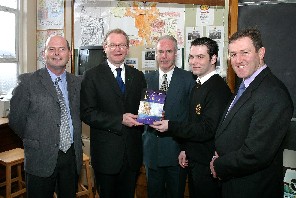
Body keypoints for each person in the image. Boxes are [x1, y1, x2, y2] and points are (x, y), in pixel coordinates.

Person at [209, 28, 294, 198]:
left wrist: (219, 165)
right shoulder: (246, 84)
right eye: (233, 54)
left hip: (253, 188)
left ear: (261, 53)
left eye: (245, 52)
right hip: (234, 184)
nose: (238, 60)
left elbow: (255, 154)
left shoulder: (272, 93)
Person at [151, 37, 232, 198]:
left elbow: (207, 129)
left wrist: (171, 126)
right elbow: (193, 121)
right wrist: (185, 149)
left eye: (200, 57)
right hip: (195, 161)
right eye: (192, 57)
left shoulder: (218, 89)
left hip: (208, 165)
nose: (194, 62)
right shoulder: (199, 84)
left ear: (214, 58)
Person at [9, 35, 83, 198]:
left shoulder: (77, 83)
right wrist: (35, 139)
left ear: (69, 54)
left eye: (62, 49)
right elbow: (16, 119)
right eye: (52, 49)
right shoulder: (28, 82)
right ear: (44, 54)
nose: (57, 53)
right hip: (40, 157)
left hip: (71, 157)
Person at [80, 28, 147, 198]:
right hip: (106, 156)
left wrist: (153, 115)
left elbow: (144, 108)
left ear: (127, 48)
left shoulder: (138, 76)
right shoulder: (91, 76)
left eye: (122, 45)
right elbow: (87, 113)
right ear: (105, 47)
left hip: (132, 154)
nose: (118, 49)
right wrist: (119, 120)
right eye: (113, 45)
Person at [143, 35, 195, 198]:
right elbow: (143, 115)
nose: (164, 56)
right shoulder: (146, 79)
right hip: (152, 152)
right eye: (160, 52)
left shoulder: (189, 79)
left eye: (168, 51)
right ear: (156, 54)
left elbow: (192, 118)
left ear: (175, 54)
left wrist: (186, 148)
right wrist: (148, 116)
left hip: (177, 152)